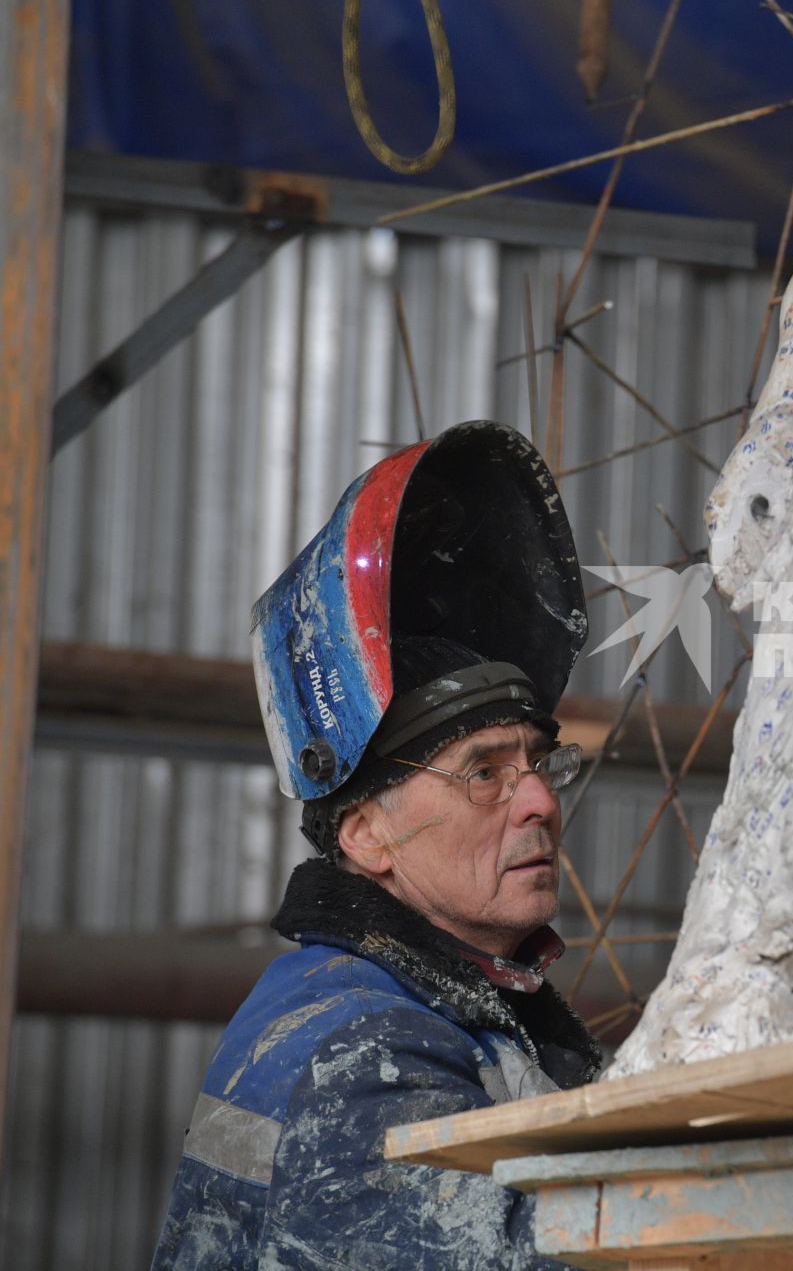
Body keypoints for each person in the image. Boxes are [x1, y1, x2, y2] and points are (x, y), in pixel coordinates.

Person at [151, 422, 602, 1269]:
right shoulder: (367, 1054)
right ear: (366, 835)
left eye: (538, 763)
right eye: (484, 772)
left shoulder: (433, 1004)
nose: (539, 798)